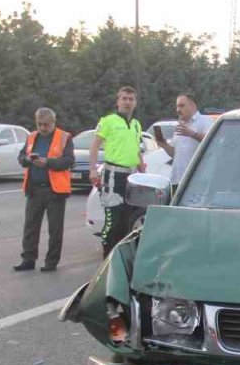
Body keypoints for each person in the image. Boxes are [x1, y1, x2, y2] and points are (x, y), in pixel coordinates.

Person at [13, 107, 74, 272]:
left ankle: (51, 261)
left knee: (55, 229)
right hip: (34, 189)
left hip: (55, 190)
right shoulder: (32, 137)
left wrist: (48, 163)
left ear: (53, 123)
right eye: (39, 124)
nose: (42, 128)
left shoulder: (64, 137)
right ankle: (28, 259)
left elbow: (68, 161)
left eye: (46, 124)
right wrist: (27, 159)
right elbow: (21, 157)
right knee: (30, 226)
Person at [88, 86, 146, 256]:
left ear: (135, 103)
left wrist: (141, 166)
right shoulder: (108, 121)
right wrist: (93, 170)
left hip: (132, 175)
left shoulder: (136, 124)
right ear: (118, 101)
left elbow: (136, 148)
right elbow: (94, 145)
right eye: (124, 98)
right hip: (113, 173)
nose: (127, 102)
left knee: (127, 217)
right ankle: (107, 253)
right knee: (113, 217)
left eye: (131, 99)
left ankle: (121, 254)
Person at [154, 93, 214, 185]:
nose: (178, 110)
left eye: (181, 106)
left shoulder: (204, 121)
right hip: (177, 180)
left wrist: (193, 134)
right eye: (177, 107)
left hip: (196, 181)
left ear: (192, 106)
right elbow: (174, 154)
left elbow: (212, 142)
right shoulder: (180, 125)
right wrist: (164, 145)